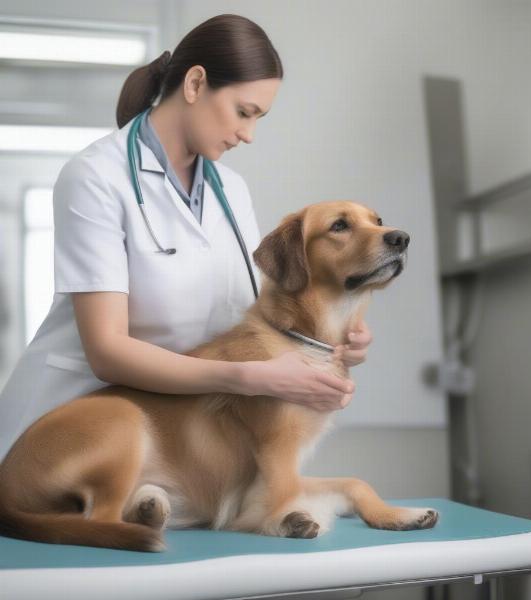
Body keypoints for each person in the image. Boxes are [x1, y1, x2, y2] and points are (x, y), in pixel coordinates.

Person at [0, 14, 372, 463]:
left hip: (168, 436)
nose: (249, 135)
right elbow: (108, 352)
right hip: (74, 426)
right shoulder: (96, 176)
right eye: (243, 112)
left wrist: (330, 342)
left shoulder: (231, 189)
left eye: (259, 119)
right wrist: (250, 378)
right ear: (195, 84)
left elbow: (255, 315)